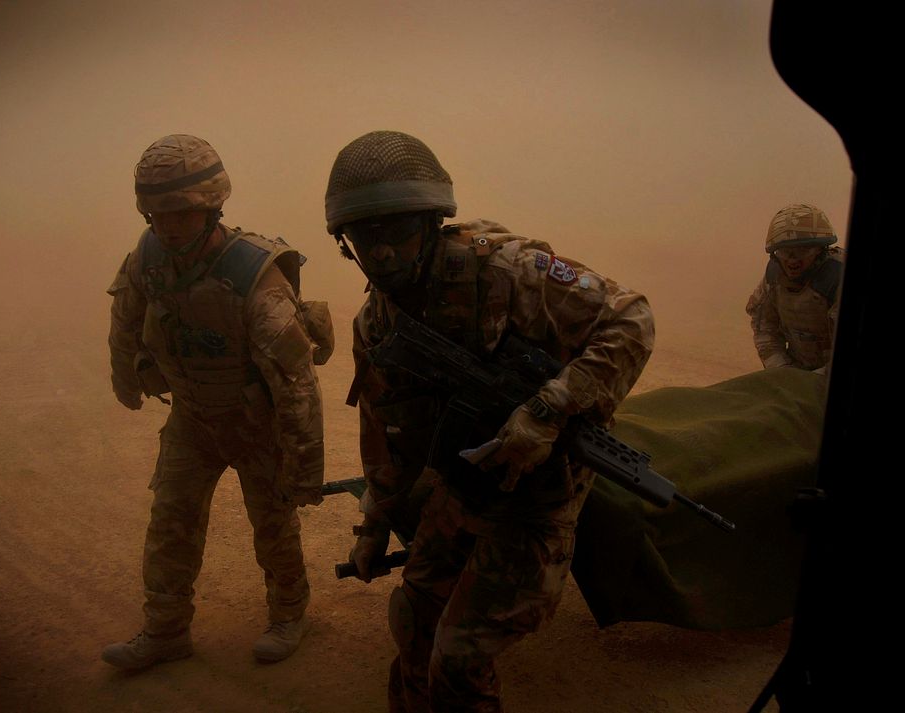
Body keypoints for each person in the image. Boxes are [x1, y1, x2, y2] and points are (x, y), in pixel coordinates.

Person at [326, 130, 655, 712]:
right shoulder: (377, 324)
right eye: (363, 237)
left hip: (536, 495)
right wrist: (375, 524)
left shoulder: (508, 272)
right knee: (411, 624)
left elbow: (630, 319)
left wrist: (548, 408)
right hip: (462, 488)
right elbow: (385, 434)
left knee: (457, 658)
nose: (382, 255)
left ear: (431, 224)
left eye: (397, 234)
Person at [103, 134, 328, 670]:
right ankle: (165, 630)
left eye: (178, 213)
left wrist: (305, 469)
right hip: (192, 418)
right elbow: (125, 316)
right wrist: (125, 378)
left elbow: (295, 381)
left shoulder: (254, 274)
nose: (166, 226)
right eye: (156, 213)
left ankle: (289, 614)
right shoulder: (150, 255)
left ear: (211, 207)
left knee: (273, 524)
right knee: (170, 524)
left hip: (255, 423)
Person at [745, 203, 845, 371]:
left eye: (802, 250)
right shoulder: (774, 276)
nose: (792, 260)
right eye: (785, 252)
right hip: (794, 373)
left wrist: (812, 381)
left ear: (820, 250)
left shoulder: (837, 279)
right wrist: (782, 370)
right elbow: (764, 329)